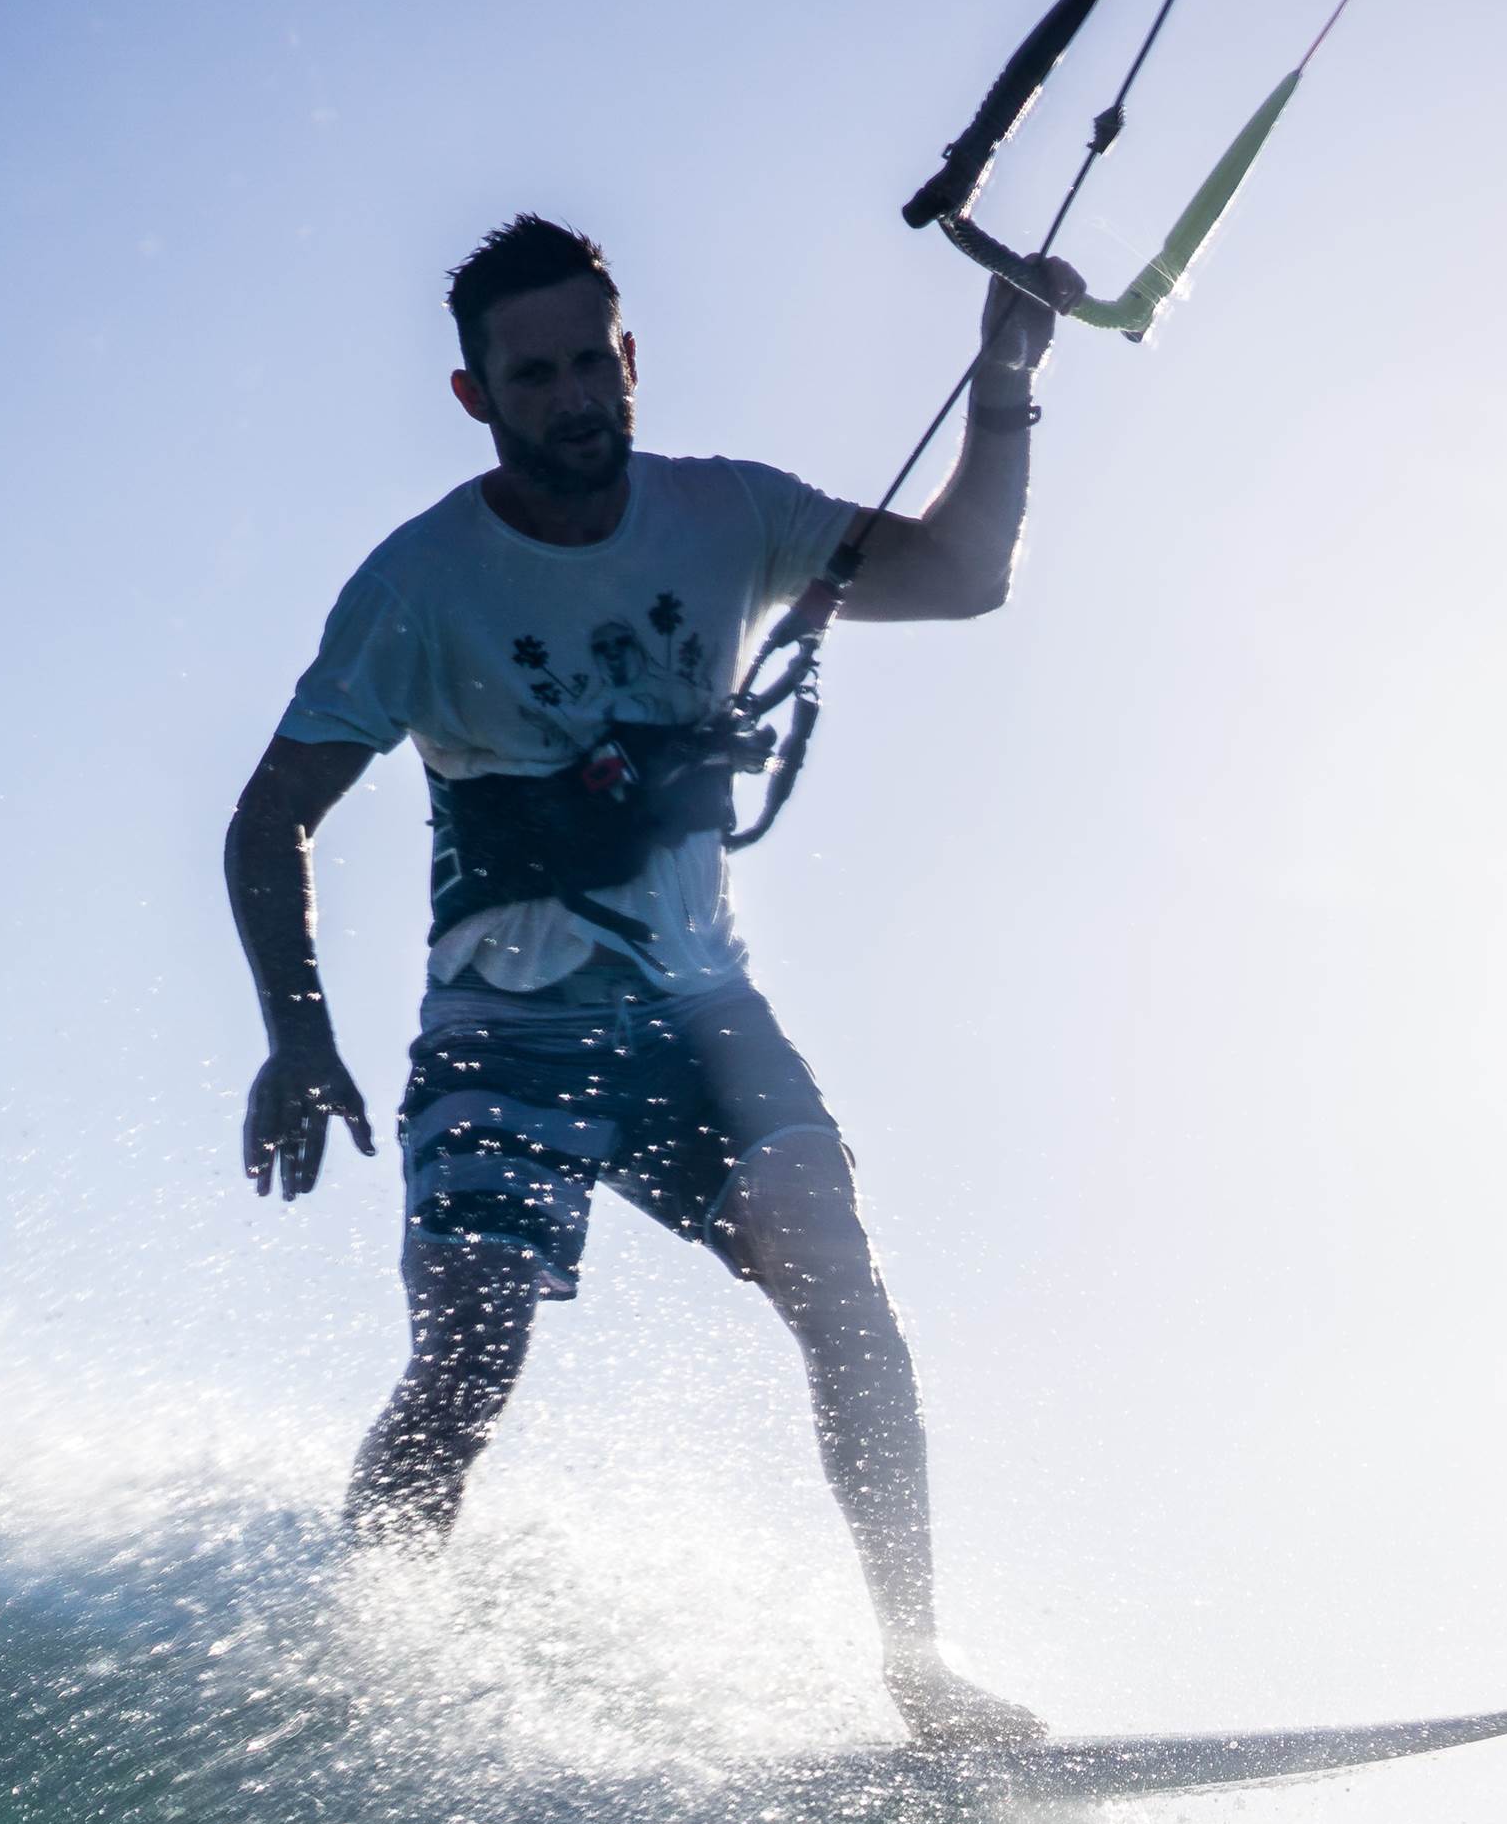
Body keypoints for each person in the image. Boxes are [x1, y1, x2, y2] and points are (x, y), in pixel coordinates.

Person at [222, 214, 1075, 1746]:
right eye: (530, 375)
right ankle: (355, 1682)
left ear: (629, 358)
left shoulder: (726, 515)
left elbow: (961, 577)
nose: (570, 398)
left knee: (844, 1292)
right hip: (505, 1030)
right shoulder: (422, 585)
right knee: (468, 1358)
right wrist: (297, 1035)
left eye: (587, 363)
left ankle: (922, 1671)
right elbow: (269, 814)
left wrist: (1004, 377)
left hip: (699, 1016)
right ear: (477, 397)